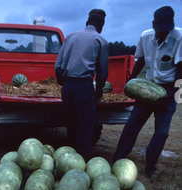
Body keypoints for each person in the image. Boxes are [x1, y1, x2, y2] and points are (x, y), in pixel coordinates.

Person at [112, 6, 182, 179]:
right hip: (147, 87)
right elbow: (140, 60)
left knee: (162, 132)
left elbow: (181, 68)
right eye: (161, 29)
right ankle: (117, 159)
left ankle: (150, 167)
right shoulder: (145, 37)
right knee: (132, 125)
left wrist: (172, 92)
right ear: (154, 24)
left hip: (168, 89)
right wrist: (130, 82)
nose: (164, 33)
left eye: (167, 29)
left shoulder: (179, 37)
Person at [55, 9, 109, 161]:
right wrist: (98, 91)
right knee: (85, 128)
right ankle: (81, 163)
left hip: (68, 86)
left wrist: (65, 84)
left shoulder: (70, 37)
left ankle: (69, 161)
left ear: (87, 22)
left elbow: (58, 66)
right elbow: (102, 71)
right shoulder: (101, 41)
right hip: (84, 87)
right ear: (101, 25)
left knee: (71, 125)